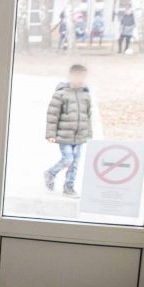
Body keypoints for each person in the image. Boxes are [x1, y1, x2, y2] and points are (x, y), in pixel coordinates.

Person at [44, 63, 93, 198]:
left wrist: (89, 134)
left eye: (83, 76)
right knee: (68, 159)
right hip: (64, 135)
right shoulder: (61, 94)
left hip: (80, 136)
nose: (81, 79)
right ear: (71, 76)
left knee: (75, 163)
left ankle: (69, 187)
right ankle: (51, 173)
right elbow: (52, 115)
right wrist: (51, 134)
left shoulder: (85, 94)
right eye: (78, 76)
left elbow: (88, 115)